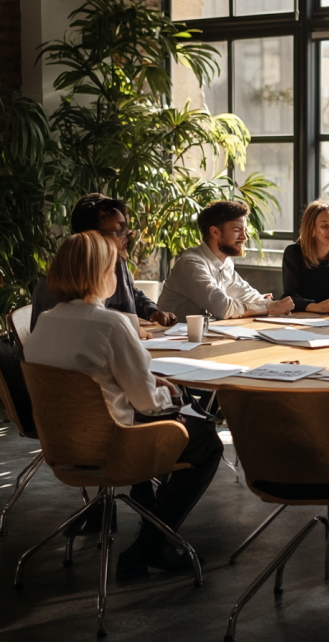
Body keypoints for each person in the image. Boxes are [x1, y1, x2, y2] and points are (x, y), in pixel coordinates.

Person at [24, 232, 223, 575]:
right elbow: (148, 404)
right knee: (206, 442)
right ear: (102, 274)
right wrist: (172, 394)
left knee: (169, 424)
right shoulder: (111, 324)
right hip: (115, 443)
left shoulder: (44, 322)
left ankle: (150, 523)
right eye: (114, 266)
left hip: (62, 444)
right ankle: (149, 546)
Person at [30, 193, 177, 334]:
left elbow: (133, 294)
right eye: (118, 232)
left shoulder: (118, 264)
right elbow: (74, 332)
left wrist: (152, 311)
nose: (128, 236)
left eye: (126, 229)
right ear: (90, 237)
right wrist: (126, 327)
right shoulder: (61, 283)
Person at [158, 200, 294, 322]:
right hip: (171, 341)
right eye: (237, 230)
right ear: (215, 232)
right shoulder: (191, 264)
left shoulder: (225, 261)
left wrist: (270, 303)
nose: (244, 237)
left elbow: (245, 293)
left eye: (244, 230)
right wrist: (268, 307)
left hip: (201, 338)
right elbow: (222, 308)